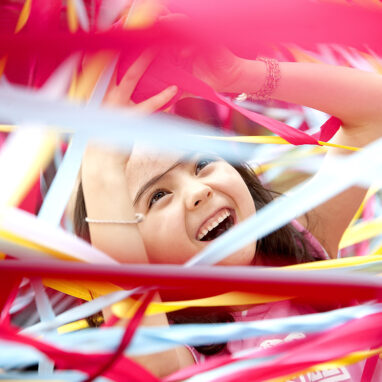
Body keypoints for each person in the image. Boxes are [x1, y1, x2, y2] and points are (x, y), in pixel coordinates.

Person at [73, 49, 382, 379]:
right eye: (158, 195)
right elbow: (146, 360)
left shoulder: (301, 251)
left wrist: (240, 76)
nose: (198, 191)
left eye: (203, 164)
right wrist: (100, 167)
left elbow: (373, 115)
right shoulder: (178, 355)